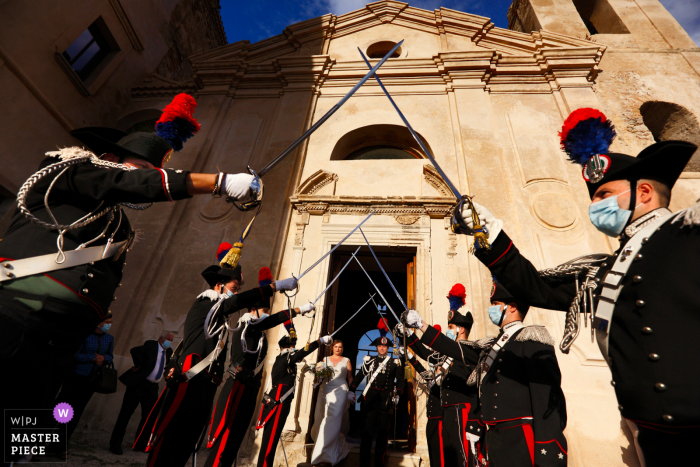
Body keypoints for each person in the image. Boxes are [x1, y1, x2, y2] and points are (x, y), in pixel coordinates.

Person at [451, 108, 700, 466]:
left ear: (643, 192)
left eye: (603, 195)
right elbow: (536, 288)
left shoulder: (688, 233)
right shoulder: (606, 270)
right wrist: (489, 232)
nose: (595, 207)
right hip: (651, 433)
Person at [0, 93, 263, 425]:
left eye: (153, 173)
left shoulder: (118, 225)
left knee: (22, 434)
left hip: (62, 337)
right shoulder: (67, 170)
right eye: (143, 170)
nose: (146, 179)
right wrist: (219, 182)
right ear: (110, 158)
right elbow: (123, 181)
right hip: (16, 311)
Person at [135, 257, 303, 467]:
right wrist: (275, 287)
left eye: (238, 286)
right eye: (234, 286)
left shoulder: (220, 315)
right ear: (219, 284)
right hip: (190, 379)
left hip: (206, 383)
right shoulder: (207, 302)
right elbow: (235, 303)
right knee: (173, 437)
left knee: (188, 440)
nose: (237, 290)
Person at [428, 279, 567, 466]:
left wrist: (548, 447)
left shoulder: (532, 340)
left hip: (520, 437)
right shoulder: (493, 345)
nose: (491, 309)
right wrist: (421, 326)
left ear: (512, 307)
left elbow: (547, 399)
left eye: (495, 304)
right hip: (495, 438)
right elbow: (476, 377)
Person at [204, 267, 315, 467]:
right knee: (224, 438)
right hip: (237, 385)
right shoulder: (246, 325)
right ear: (253, 311)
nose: (267, 315)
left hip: (250, 388)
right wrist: (298, 310)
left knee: (236, 439)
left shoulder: (258, 332)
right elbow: (272, 321)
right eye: (264, 311)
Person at [403, 289, 483, 467]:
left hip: (461, 411)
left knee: (463, 460)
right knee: (449, 460)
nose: (448, 330)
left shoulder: (469, 350)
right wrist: (409, 336)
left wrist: (420, 324)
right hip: (448, 412)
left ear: (461, 329)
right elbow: (427, 355)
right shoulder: (449, 355)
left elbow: (443, 345)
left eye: (450, 327)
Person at [256, 330, 331, 467]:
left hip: (281, 401)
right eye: (293, 346)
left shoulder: (285, 361)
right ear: (288, 348)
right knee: (270, 438)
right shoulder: (285, 357)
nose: (294, 349)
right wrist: (320, 341)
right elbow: (302, 352)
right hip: (278, 402)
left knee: (271, 439)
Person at [54, 314, 114, 459]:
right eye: (106, 322)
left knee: (76, 413)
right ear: (98, 323)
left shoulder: (109, 338)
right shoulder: (85, 335)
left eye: (110, 322)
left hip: (91, 380)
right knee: (62, 411)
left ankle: (61, 445)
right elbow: (75, 355)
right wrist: (93, 358)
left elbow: (110, 356)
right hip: (76, 377)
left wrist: (104, 358)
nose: (108, 325)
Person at [109, 331, 174, 455]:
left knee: (149, 416)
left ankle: (140, 444)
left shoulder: (169, 352)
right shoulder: (151, 345)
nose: (169, 342)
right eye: (168, 339)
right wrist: (139, 365)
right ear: (161, 339)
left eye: (171, 340)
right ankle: (115, 444)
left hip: (152, 388)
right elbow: (135, 350)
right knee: (126, 414)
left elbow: (166, 365)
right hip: (139, 384)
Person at [348, 329, 405, 467]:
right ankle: (364, 461)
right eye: (380, 346)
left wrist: (398, 393)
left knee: (383, 431)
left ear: (387, 348)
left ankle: (380, 461)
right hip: (371, 398)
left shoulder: (394, 362)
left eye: (384, 346)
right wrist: (351, 390)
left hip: (386, 399)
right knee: (367, 430)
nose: (382, 348)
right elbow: (360, 375)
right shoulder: (370, 361)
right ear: (377, 347)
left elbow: (400, 379)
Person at [401, 324, 445, 467]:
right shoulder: (435, 358)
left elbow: (423, 353)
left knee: (441, 454)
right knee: (433, 451)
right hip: (432, 415)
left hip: (441, 415)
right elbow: (426, 375)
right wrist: (409, 357)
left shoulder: (445, 357)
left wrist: (409, 336)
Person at [310, 339, 353, 467]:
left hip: (341, 391)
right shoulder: (325, 360)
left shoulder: (347, 360)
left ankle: (328, 455)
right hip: (326, 390)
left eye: (340, 347)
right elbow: (320, 375)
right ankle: (321, 454)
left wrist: (351, 392)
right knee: (323, 420)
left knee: (333, 420)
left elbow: (350, 377)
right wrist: (318, 374)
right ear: (332, 348)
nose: (338, 349)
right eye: (336, 346)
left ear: (342, 349)